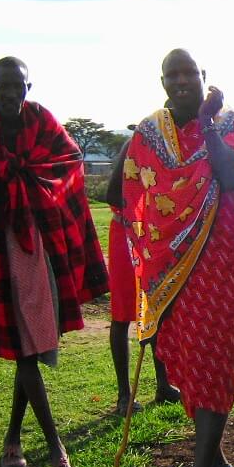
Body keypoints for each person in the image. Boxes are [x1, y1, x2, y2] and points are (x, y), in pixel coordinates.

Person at [121, 49, 234, 467]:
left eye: (190, 73)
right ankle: (219, 462)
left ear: (205, 78)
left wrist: (207, 126)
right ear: (162, 81)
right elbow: (115, 190)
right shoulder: (148, 133)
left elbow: (232, 178)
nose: (182, 80)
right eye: (173, 74)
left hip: (227, 264)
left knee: (220, 362)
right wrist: (148, 237)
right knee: (194, 366)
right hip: (175, 273)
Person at [0, 57, 109, 467]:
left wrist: (27, 182)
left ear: (28, 86)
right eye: (2, 86)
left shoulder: (41, 121)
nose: (9, 93)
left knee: (33, 344)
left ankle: (13, 438)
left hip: (38, 245)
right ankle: (58, 450)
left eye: (17, 85)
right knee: (27, 348)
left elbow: (69, 162)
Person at [105, 127, 179, 415]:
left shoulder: (181, 150)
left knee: (157, 307)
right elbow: (113, 192)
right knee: (123, 314)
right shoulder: (137, 144)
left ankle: (164, 384)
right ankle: (124, 394)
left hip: (156, 235)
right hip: (127, 232)